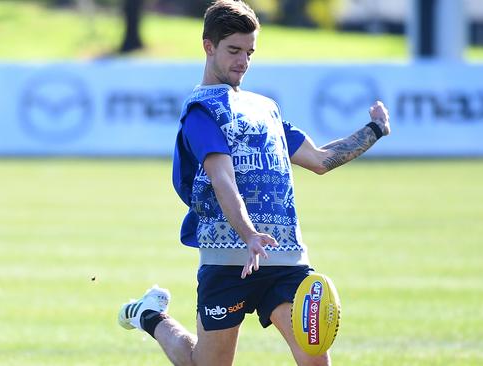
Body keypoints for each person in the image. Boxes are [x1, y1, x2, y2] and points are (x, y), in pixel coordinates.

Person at [117, 1, 390, 365]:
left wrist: (374, 131)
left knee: (315, 360)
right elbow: (222, 180)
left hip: (286, 258)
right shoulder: (202, 112)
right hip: (229, 260)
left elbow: (320, 160)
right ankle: (151, 315)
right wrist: (248, 235)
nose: (242, 61)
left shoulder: (265, 108)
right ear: (208, 46)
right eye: (233, 50)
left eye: (249, 52)